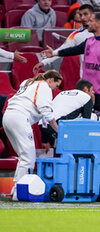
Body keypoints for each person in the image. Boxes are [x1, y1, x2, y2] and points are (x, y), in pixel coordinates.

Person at [41, 12, 100, 111]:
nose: (87, 23)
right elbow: (73, 50)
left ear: (98, 23)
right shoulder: (89, 41)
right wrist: (54, 53)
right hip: (86, 90)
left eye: (90, 21)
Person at [2, 70, 63, 201]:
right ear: (51, 80)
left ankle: (15, 188)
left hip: (8, 116)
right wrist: (59, 131)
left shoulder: (28, 82)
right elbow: (46, 112)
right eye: (56, 86)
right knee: (29, 157)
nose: (55, 89)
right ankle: (20, 192)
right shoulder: (44, 87)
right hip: (19, 117)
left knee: (23, 156)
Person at [33, 5, 100, 78]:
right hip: (86, 78)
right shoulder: (76, 35)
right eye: (80, 15)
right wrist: (44, 62)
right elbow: (61, 50)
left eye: (85, 14)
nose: (82, 17)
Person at [39, 79, 95, 152]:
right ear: (85, 89)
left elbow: (52, 112)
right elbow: (85, 123)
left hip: (42, 125)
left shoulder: (63, 93)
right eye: (91, 90)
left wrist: (44, 140)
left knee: (60, 151)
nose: (93, 93)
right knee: (70, 151)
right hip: (55, 125)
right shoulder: (86, 97)